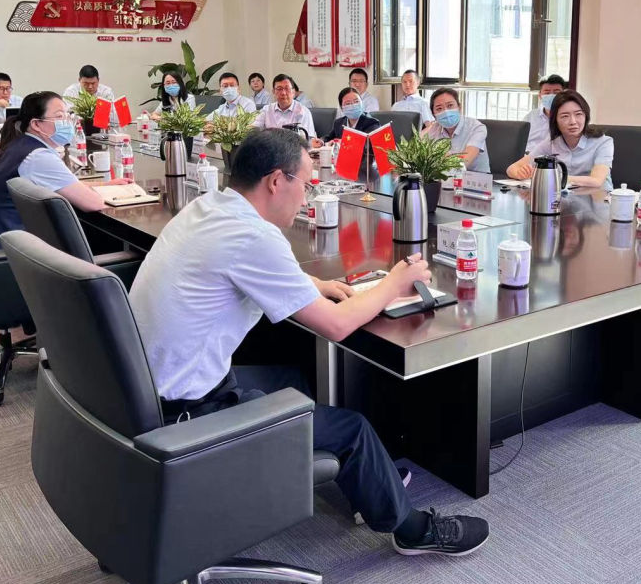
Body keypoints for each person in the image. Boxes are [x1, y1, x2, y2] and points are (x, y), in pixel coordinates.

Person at [128, 128, 490, 557]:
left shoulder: (210, 208)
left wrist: (315, 285)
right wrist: (395, 283)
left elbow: (249, 269)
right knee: (354, 430)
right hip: (188, 412)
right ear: (275, 181)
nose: (307, 196)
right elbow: (336, 326)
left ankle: (368, 481)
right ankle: (410, 530)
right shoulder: (254, 237)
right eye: (305, 183)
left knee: (292, 378)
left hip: (143, 389)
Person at [0, 92, 130, 251]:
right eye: (59, 117)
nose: (67, 122)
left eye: (68, 115)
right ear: (36, 124)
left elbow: (67, 185)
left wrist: (106, 184)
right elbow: (94, 204)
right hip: (8, 253)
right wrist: (120, 196)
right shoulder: (38, 157)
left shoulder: (20, 145)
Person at [505, 89, 614, 191]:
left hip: (598, 199)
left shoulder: (603, 142)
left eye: (578, 114)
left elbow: (596, 181)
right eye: (565, 116)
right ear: (555, 120)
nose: (573, 121)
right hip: (563, 199)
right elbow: (511, 169)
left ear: (586, 116)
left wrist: (550, 177)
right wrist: (520, 173)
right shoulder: (552, 142)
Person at [422, 88, 489, 172]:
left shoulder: (477, 127)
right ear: (433, 114)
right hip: (443, 177)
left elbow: (464, 162)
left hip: (475, 178)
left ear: (459, 107)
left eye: (450, 105)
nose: (446, 111)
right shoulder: (433, 130)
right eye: (439, 108)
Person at [252, 73, 320, 144]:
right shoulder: (266, 110)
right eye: (279, 89)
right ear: (273, 92)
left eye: (287, 89)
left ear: (293, 92)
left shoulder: (303, 111)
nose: (283, 93)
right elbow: (253, 130)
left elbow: (306, 140)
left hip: (295, 149)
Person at [523, 75, 566, 153]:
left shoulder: (569, 117)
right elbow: (520, 140)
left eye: (556, 92)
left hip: (557, 157)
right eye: (547, 92)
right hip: (529, 156)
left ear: (564, 95)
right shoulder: (531, 116)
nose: (551, 95)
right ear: (540, 95)